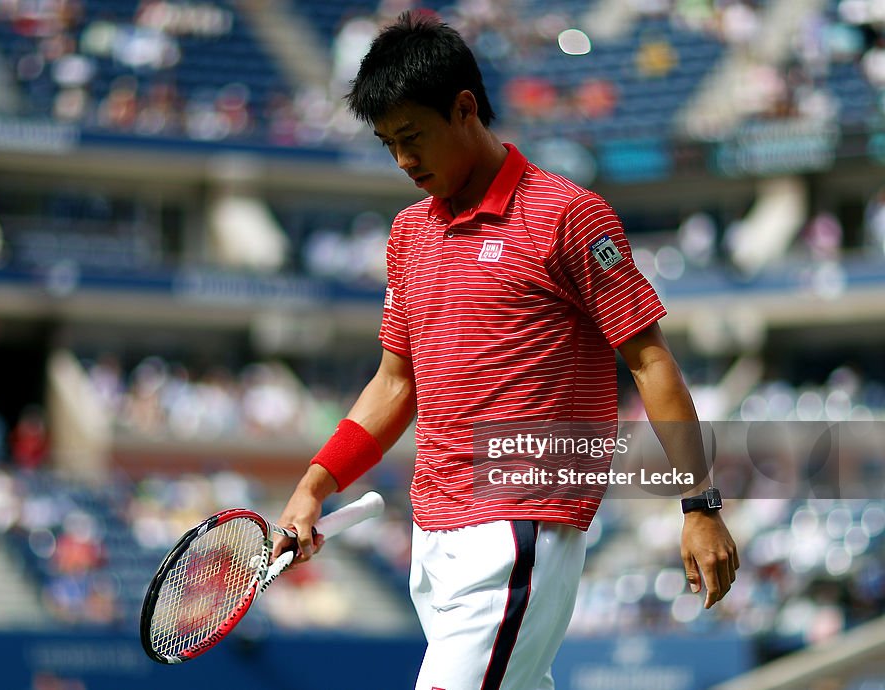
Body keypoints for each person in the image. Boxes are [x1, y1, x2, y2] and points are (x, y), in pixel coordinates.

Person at [274, 12, 739, 690]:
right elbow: (395, 384)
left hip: (518, 522)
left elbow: (650, 362)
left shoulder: (568, 215)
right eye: (387, 144)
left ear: (465, 108)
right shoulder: (407, 234)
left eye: (412, 137)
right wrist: (315, 484)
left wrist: (699, 506)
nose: (403, 160)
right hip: (432, 532)